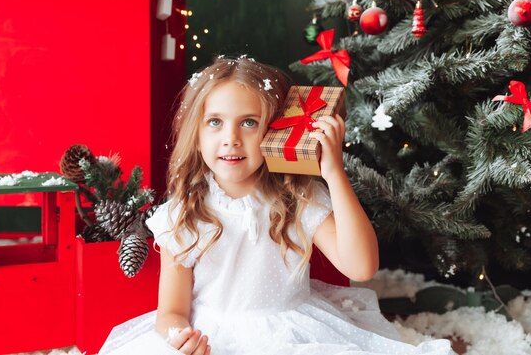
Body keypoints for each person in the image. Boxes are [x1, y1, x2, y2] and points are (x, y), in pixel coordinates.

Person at [99, 56, 454, 355]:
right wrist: (181, 339)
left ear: (276, 128)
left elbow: (361, 267)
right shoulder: (184, 211)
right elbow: (172, 311)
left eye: (249, 123)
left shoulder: (297, 197)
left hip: (292, 335)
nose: (231, 139)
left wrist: (332, 173)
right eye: (215, 122)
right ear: (197, 132)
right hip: (213, 339)